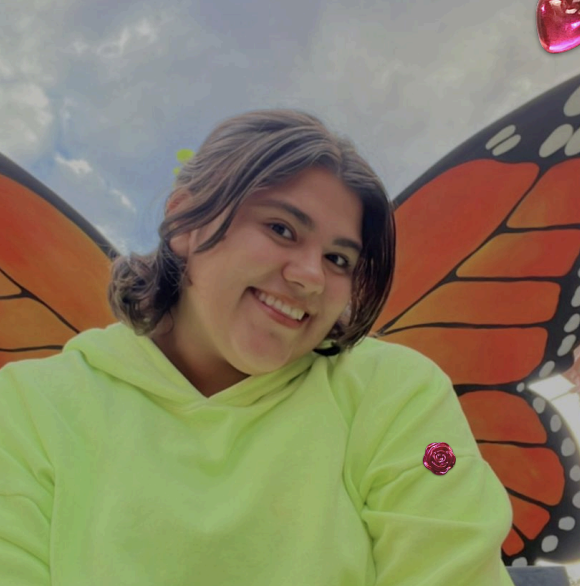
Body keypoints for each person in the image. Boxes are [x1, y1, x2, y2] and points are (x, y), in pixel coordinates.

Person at [0, 109, 515, 585]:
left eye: (338, 259)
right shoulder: (29, 407)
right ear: (184, 220)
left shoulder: (396, 394)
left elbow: (451, 557)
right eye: (281, 229)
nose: (311, 276)